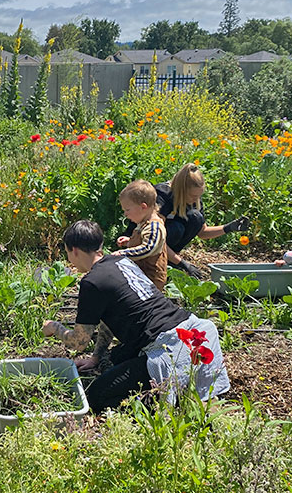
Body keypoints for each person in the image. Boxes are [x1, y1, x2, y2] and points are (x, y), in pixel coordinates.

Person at [42, 220, 230, 414]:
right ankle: (182, 387)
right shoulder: (121, 261)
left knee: (98, 396)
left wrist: (54, 327)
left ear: (73, 250)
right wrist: (96, 357)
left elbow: (78, 342)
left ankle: (171, 400)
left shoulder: (92, 282)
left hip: (169, 346)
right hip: (195, 330)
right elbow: (108, 320)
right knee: (116, 357)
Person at [124, 163, 248, 279]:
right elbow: (156, 236)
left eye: (199, 196)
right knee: (177, 228)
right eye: (193, 196)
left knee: (196, 217)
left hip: (166, 244)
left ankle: (170, 259)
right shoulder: (162, 195)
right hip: (143, 241)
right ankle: (163, 261)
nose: (196, 200)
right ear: (182, 191)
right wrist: (182, 263)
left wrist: (229, 228)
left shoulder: (194, 200)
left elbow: (202, 232)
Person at [113, 180, 168, 291]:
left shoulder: (154, 227)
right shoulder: (143, 223)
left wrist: (122, 253)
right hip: (141, 276)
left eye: (127, 210)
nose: (125, 214)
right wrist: (129, 242)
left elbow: (148, 249)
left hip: (151, 279)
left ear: (143, 206)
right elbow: (143, 241)